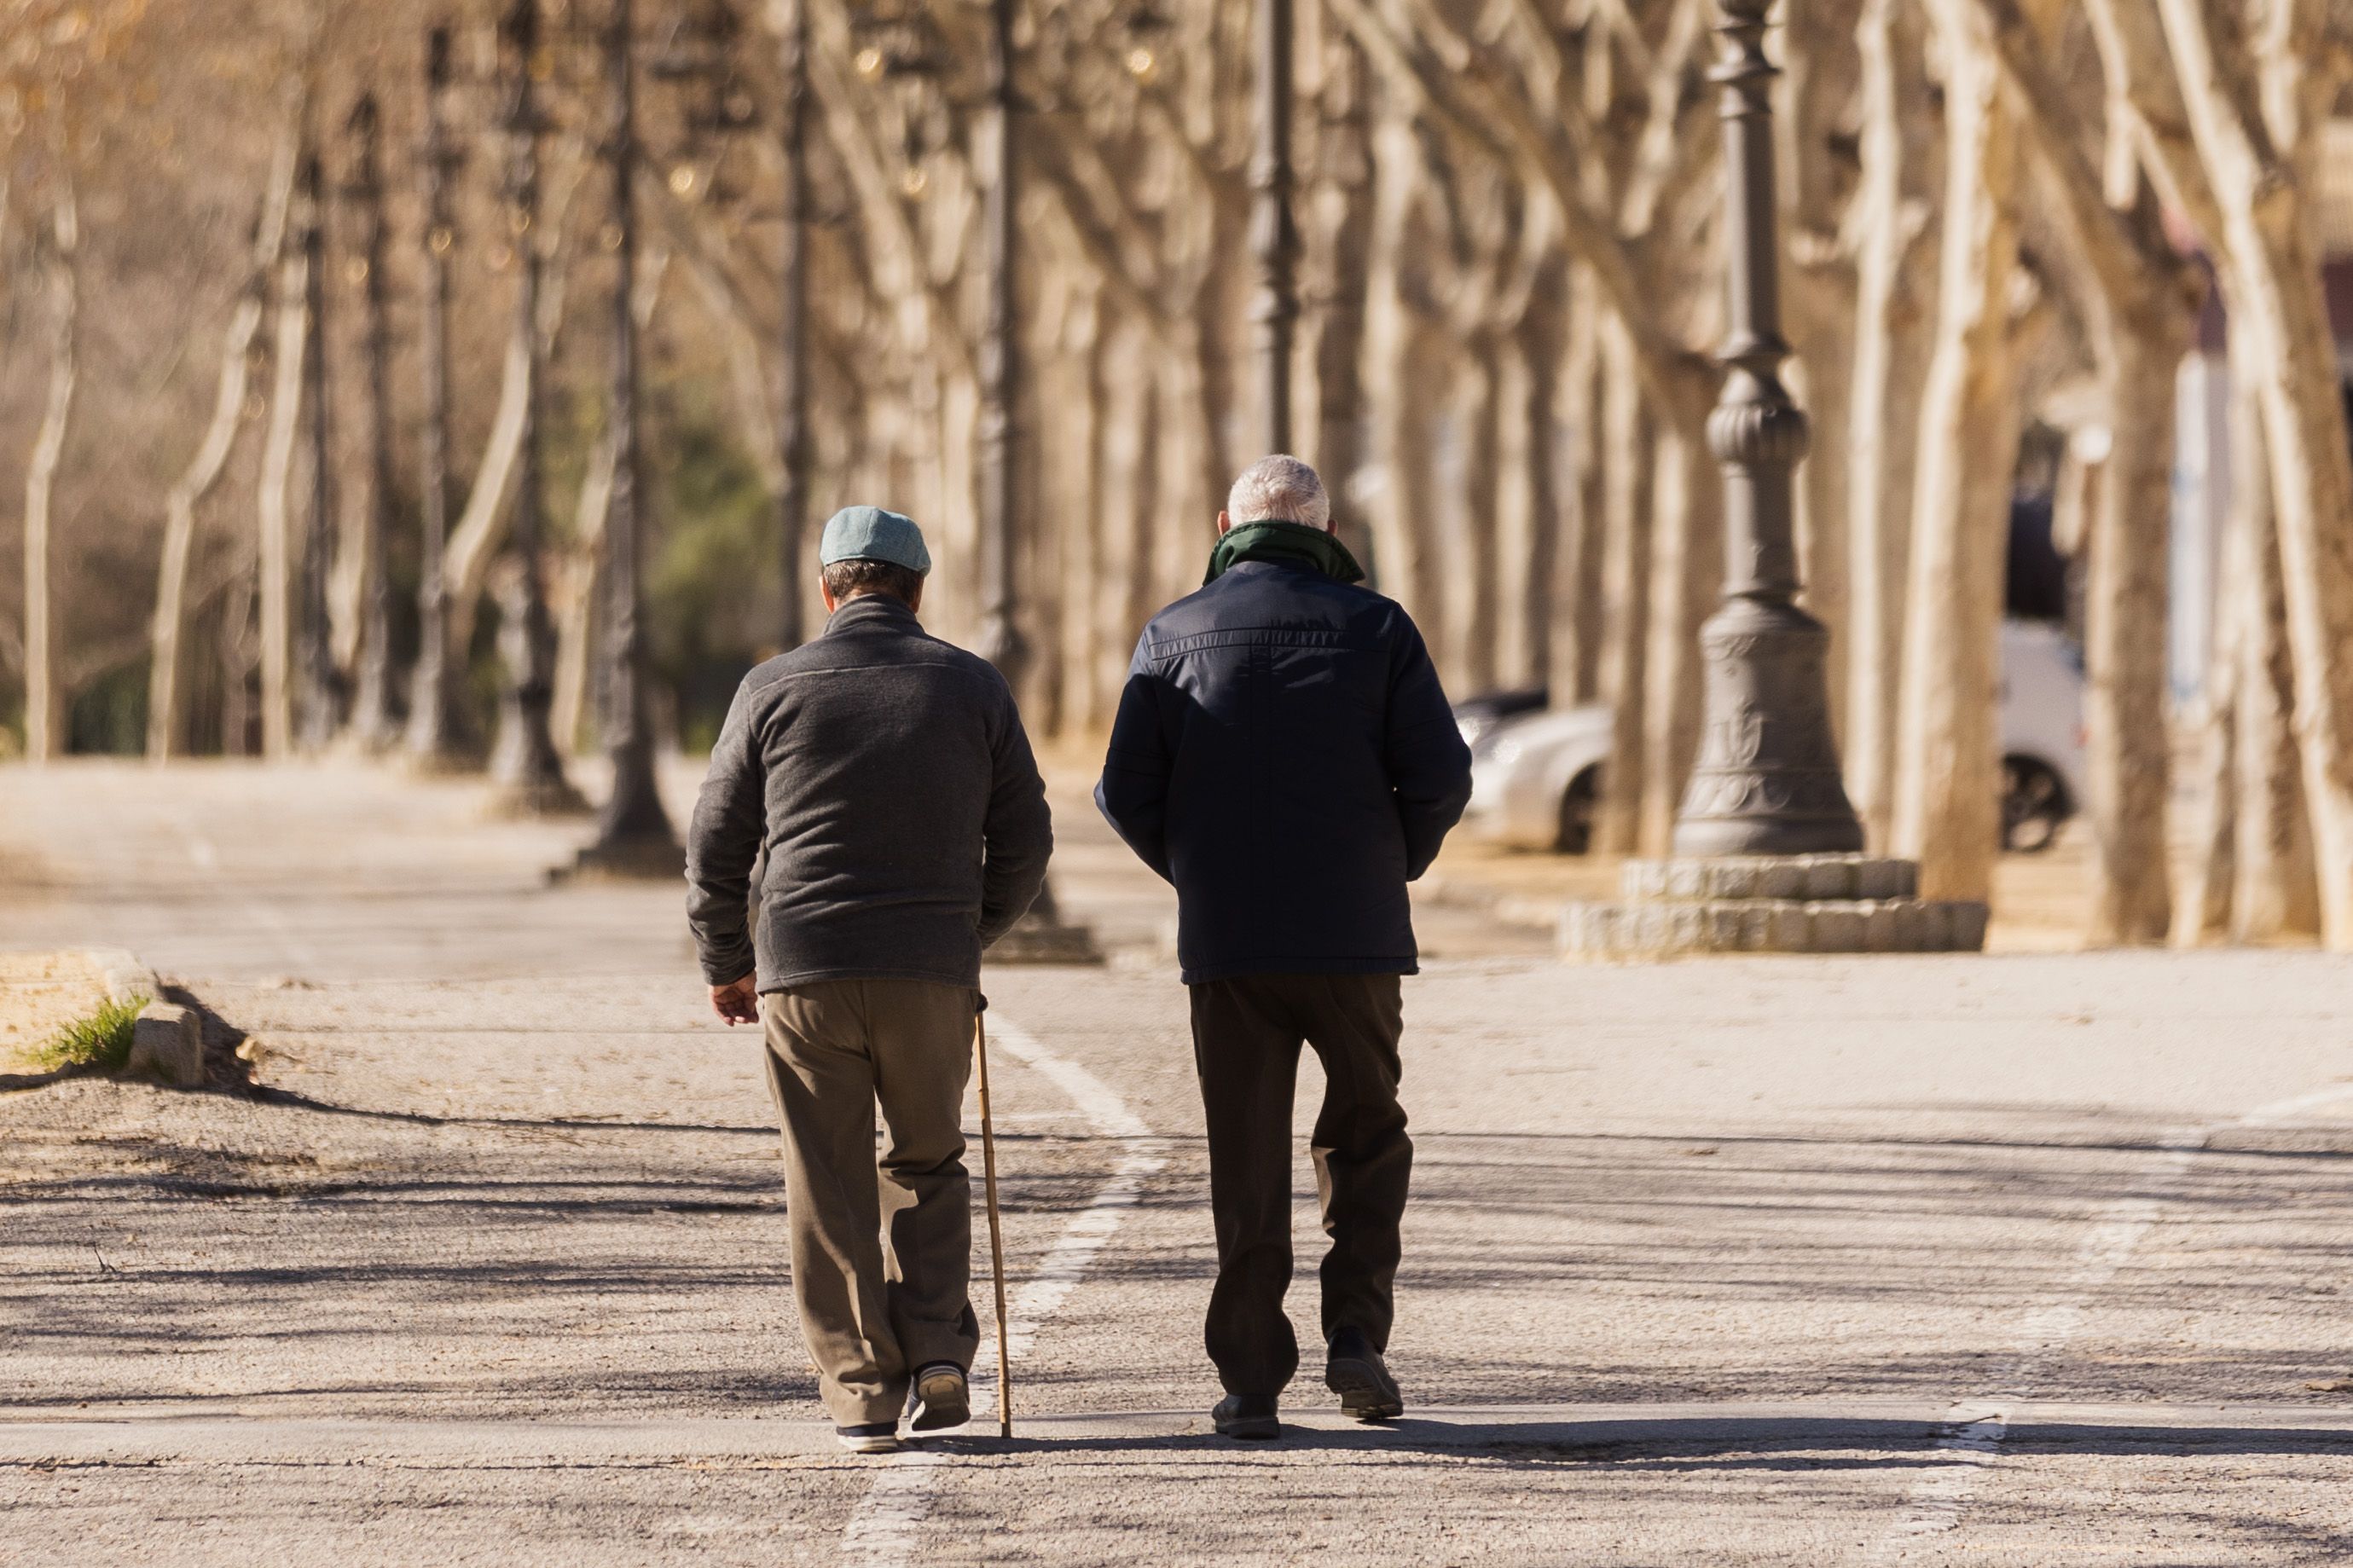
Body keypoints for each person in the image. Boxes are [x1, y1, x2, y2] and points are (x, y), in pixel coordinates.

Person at [1095, 454, 1474, 1440]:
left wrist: (1196, 873)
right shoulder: (1377, 626)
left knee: (1245, 1155)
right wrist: (1393, 863)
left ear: (1226, 523)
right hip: (1354, 938)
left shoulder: (1171, 633)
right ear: (1325, 529)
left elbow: (1121, 791)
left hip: (1228, 944)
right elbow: (1439, 777)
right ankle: (1357, 1341)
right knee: (1365, 1134)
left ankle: (1251, 1380)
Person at [687, 505, 1052, 1455]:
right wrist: (970, 933)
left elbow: (717, 840)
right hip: (930, 969)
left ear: (827, 590)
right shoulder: (970, 686)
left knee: (830, 1179)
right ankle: (936, 1349)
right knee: (928, 1162)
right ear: (917, 591)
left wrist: (726, 960)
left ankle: (859, 1388)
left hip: (803, 967)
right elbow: (1025, 838)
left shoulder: (771, 687)